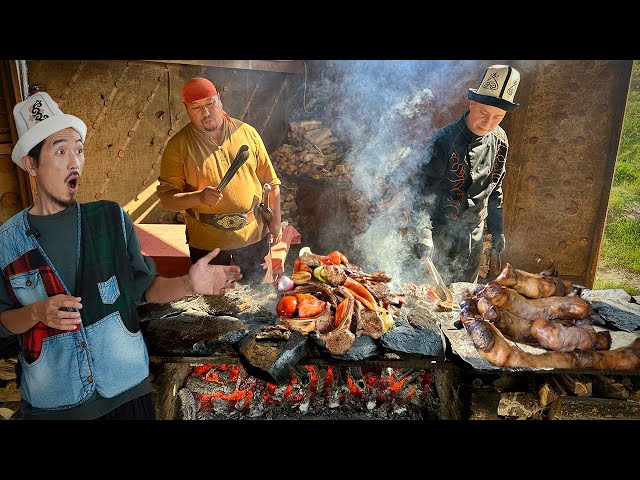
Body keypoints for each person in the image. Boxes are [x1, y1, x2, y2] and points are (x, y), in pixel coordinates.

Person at [0, 91, 243, 420]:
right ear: (31, 164)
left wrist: (188, 283)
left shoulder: (110, 219)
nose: (74, 161)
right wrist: (36, 312)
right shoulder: (8, 241)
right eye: (60, 150)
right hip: (55, 406)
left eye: (78, 150)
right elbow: (3, 321)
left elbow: (145, 288)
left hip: (128, 398)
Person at [157, 77, 282, 284]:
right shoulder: (177, 146)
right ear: (186, 109)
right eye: (196, 107)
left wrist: (276, 222)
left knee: (257, 302)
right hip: (208, 245)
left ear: (219, 100)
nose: (205, 113)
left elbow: (272, 182)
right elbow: (168, 200)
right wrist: (198, 197)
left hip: (252, 239)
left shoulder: (247, 133)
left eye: (210, 103)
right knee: (215, 309)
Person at [411, 64, 521, 285]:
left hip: (473, 236)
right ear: (472, 104)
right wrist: (423, 233)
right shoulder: (443, 141)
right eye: (483, 113)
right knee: (430, 298)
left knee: (464, 297)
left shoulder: (500, 141)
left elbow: (495, 188)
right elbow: (421, 191)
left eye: (497, 117)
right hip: (440, 234)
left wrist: (497, 229)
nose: (488, 123)